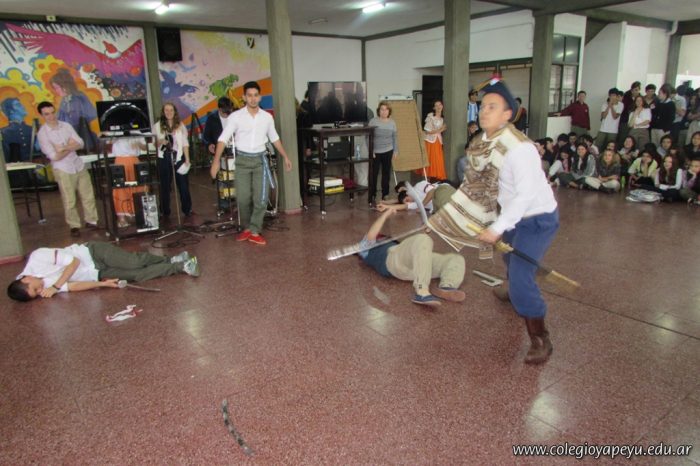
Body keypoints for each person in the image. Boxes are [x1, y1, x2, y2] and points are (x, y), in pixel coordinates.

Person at [428, 79, 559, 364]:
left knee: (522, 277)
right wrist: (447, 218)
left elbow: (525, 195)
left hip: (537, 218)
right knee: (510, 259)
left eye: (492, 107)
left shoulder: (519, 148)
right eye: (483, 106)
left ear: (507, 114)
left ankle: (541, 338)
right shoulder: (484, 143)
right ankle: (513, 292)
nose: (484, 111)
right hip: (512, 215)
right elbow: (475, 187)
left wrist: (497, 228)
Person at [210, 81, 293, 246]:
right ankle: (247, 228)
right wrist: (215, 161)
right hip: (242, 161)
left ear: (259, 97)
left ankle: (255, 230)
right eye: (249, 95)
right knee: (242, 199)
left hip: (260, 161)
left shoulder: (267, 117)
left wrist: (285, 156)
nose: (253, 99)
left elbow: (274, 138)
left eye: (256, 95)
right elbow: (223, 139)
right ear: (244, 97)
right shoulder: (235, 117)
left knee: (261, 199)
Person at [7, 242, 200, 302]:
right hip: (96, 273)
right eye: (37, 294)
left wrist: (56, 286)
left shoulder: (38, 257)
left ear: (25, 279)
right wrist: (103, 284)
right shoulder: (43, 287)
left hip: (92, 253)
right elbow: (73, 286)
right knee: (138, 275)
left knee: (133, 262)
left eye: (34, 289)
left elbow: (73, 262)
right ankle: (182, 266)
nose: (40, 290)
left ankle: (170, 259)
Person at [357, 208, 466, 307]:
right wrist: (385, 214)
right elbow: (371, 235)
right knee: (423, 239)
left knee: (455, 259)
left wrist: (426, 230)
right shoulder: (364, 248)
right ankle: (422, 292)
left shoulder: (391, 241)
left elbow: (420, 249)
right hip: (393, 260)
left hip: (417, 269)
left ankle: (447, 286)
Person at [36, 101, 99, 237]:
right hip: (62, 168)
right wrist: (71, 146)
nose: (51, 116)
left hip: (78, 164)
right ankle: (74, 225)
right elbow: (54, 156)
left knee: (88, 194)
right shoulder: (43, 134)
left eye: (53, 112)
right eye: (47, 114)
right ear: (42, 116)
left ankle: (92, 220)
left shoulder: (66, 126)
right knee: (69, 199)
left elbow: (80, 143)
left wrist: (63, 148)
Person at [153, 102, 192, 219]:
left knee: (183, 185)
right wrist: (161, 141)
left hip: (178, 157)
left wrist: (187, 159)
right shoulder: (157, 126)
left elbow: (185, 143)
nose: (169, 112)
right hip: (164, 157)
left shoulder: (180, 125)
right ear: (163, 112)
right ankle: (165, 211)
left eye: (171, 110)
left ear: (174, 112)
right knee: (164, 185)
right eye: (166, 110)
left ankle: (187, 209)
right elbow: (154, 143)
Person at [49, 68, 99, 152]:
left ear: (65, 86)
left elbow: (83, 117)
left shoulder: (78, 98)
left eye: (56, 87)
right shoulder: (65, 100)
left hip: (79, 135)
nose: (56, 91)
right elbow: (60, 118)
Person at [110, 137, 147, 228]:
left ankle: (137, 213)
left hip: (134, 160)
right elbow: (106, 139)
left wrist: (138, 143)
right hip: (120, 161)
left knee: (138, 187)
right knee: (120, 189)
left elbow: (145, 147)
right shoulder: (115, 130)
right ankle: (121, 217)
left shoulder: (136, 132)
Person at [368, 101, 398, 205]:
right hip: (375, 152)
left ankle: (385, 194)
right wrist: (371, 150)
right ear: (378, 111)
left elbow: (395, 137)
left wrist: (395, 150)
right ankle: (372, 194)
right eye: (382, 109)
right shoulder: (373, 121)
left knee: (386, 174)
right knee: (374, 174)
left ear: (389, 111)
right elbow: (368, 137)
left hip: (388, 150)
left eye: (386, 109)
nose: (384, 111)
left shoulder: (392, 122)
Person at [382, 180, 455, 214]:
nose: (409, 202)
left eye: (407, 200)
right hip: (438, 205)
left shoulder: (418, 186)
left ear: (407, 192)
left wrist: (421, 206)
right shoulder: (415, 203)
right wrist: (385, 206)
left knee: (447, 208)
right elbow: (403, 206)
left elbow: (432, 191)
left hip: (442, 191)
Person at [420, 100, 447, 180]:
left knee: (437, 160)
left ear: (442, 106)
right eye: (436, 105)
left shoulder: (442, 118)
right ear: (434, 108)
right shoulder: (431, 116)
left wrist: (441, 130)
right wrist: (441, 130)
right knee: (431, 160)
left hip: (437, 141)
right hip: (430, 141)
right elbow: (427, 131)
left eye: (440, 104)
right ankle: (428, 180)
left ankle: (434, 179)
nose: (438, 107)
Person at [1, 98, 34, 162]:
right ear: (11, 111)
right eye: (18, 105)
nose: (23, 106)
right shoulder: (4, 132)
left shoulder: (31, 129)